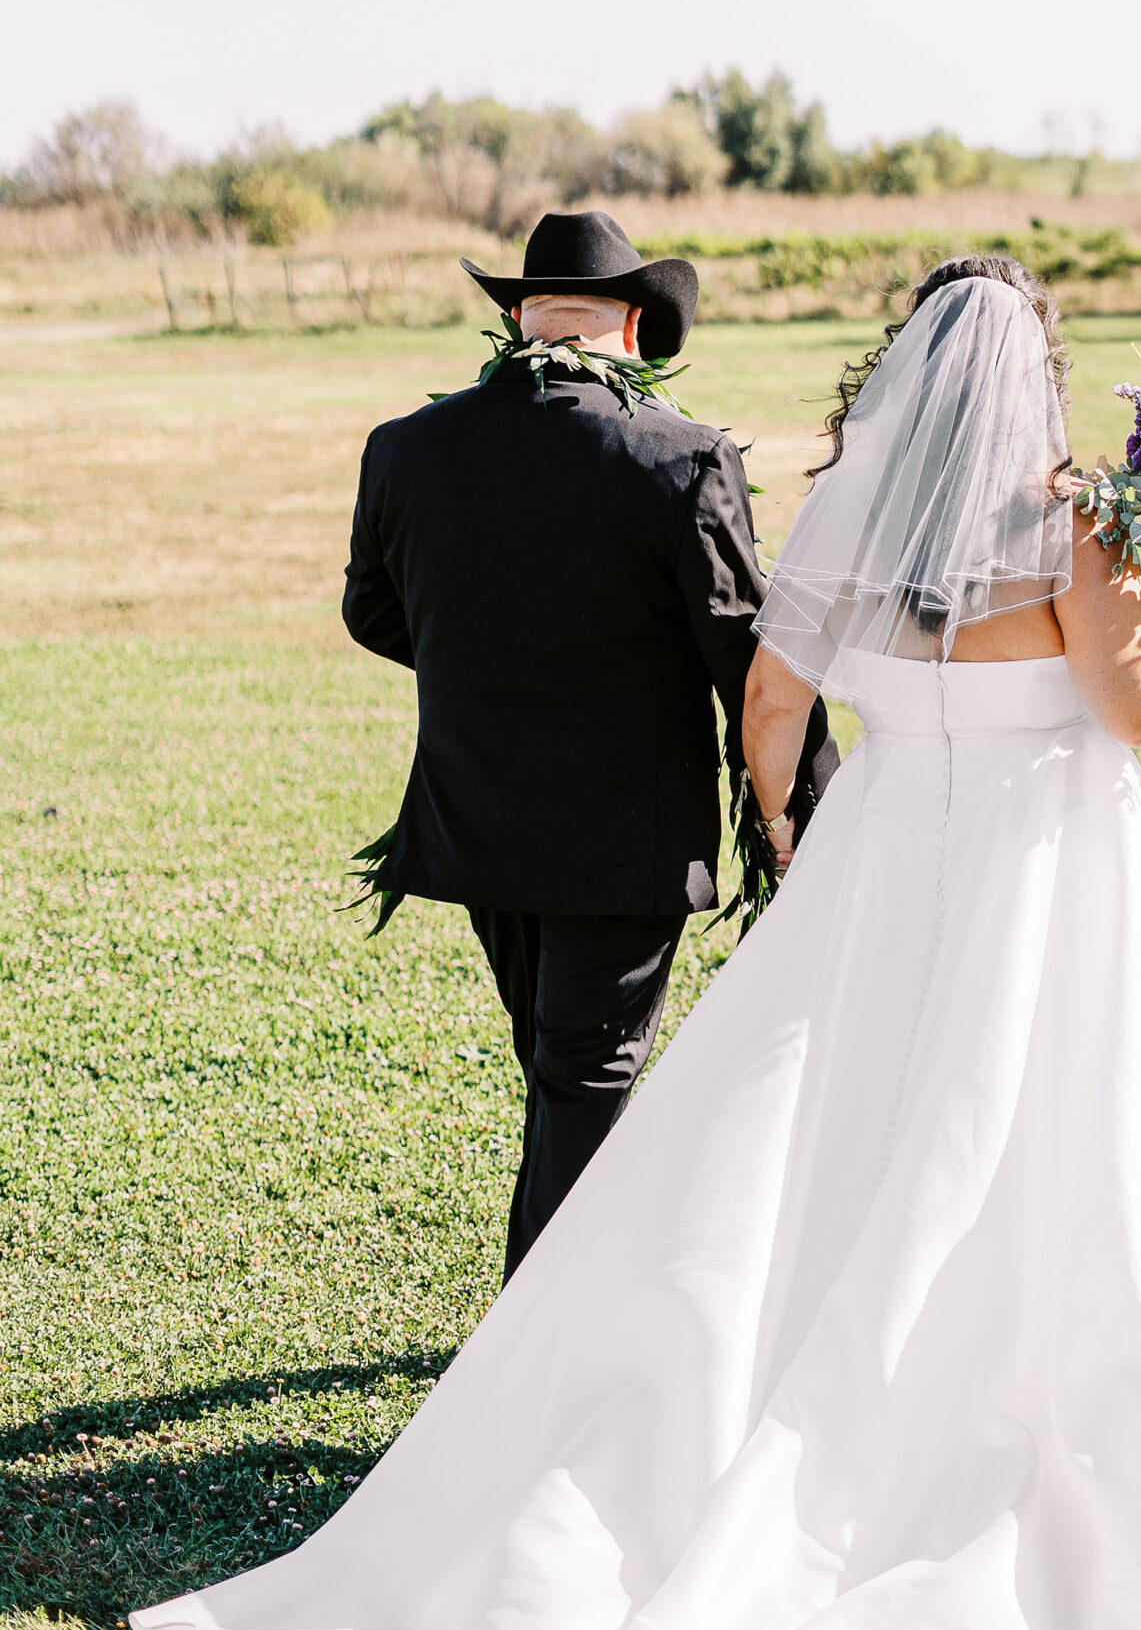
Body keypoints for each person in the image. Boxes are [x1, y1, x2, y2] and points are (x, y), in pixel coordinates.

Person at [133, 256, 1141, 1630]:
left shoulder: (845, 507)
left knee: (800, 1142)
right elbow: (1138, 708)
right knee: (1053, 1135)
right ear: (1037, 368)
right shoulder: (1070, 520)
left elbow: (770, 694)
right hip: (1051, 869)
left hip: (880, 855)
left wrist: (787, 824)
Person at [339, 209, 837, 1279]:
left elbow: (373, 614)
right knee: (582, 1077)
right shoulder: (682, 455)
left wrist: (491, 667)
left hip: (475, 818)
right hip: (622, 835)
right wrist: (798, 805)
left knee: (557, 1064)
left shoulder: (404, 447)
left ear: (519, 317)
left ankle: (559, 1313)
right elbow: (742, 655)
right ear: (634, 327)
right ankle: (539, 1345)